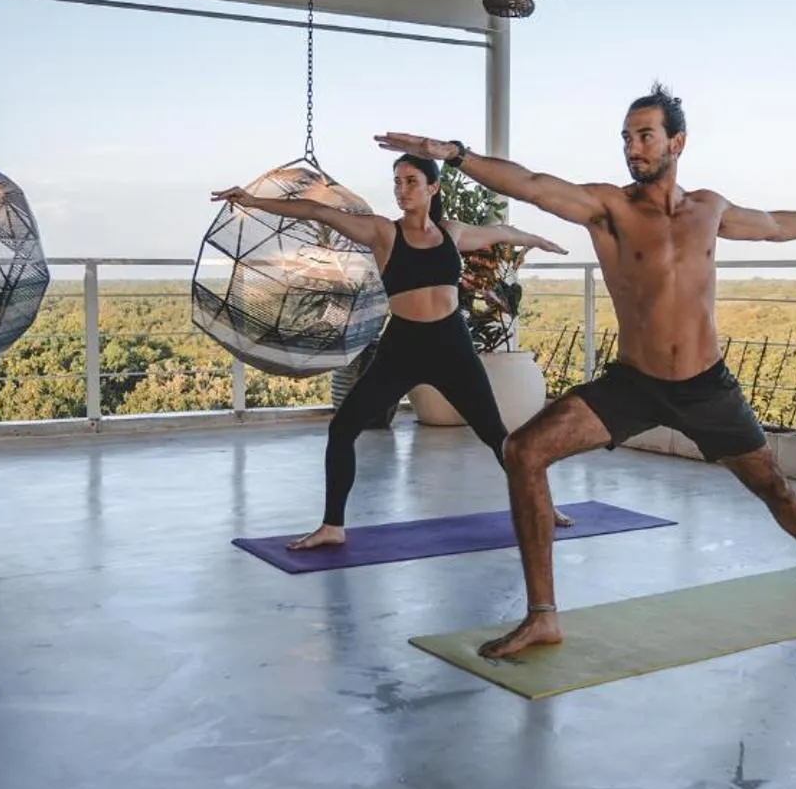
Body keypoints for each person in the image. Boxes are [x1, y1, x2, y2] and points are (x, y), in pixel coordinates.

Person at [377, 84, 796, 659]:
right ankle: (543, 617)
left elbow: (774, 223)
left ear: (677, 142)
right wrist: (455, 155)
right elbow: (533, 185)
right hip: (634, 384)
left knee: (770, 483)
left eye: (645, 136)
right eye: (626, 138)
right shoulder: (609, 208)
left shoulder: (709, 208)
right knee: (524, 451)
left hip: (706, 385)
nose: (633, 148)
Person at [211, 154, 569, 550]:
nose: (401, 190)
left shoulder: (453, 232)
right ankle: (332, 525)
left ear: (434, 188)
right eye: (397, 181)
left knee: (496, 435)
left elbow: (500, 231)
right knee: (343, 428)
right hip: (404, 346)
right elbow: (317, 211)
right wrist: (253, 200)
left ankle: (544, 508)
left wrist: (536, 240)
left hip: (452, 346)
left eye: (411, 181)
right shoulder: (384, 233)